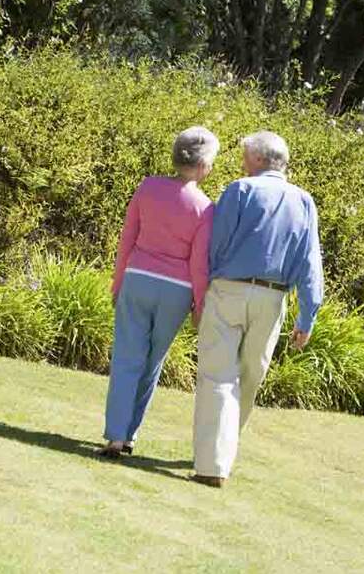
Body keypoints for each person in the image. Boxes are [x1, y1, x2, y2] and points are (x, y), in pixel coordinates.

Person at [192, 130, 324, 488]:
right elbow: (310, 263)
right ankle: (223, 453)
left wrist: (205, 289)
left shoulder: (240, 190)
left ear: (261, 159)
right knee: (251, 376)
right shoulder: (305, 201)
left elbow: (215, 245)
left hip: (230, 289)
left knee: (218, 374)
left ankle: (212, 464)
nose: (242, 162)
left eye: (246, 156)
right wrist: (307, 315)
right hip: (273, 297)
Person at [100, 126, 218, 457]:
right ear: (202, 165)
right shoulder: (206, 208)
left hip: (138, 278)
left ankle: (115, 436)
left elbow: (128, 238)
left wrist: (118, 279)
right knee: (152, 363)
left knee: (126, 358)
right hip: (177, 291)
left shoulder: (148, 187)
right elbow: (199, 265)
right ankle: (131, 435)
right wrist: (199, 304)